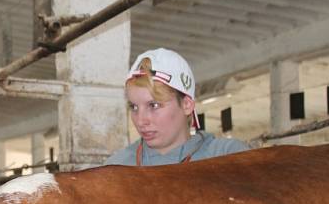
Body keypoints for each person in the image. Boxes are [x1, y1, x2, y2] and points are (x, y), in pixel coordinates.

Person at [104, 48, 248, 166]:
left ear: (187, 105)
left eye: (154, 105)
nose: (141, 121)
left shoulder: (229, 157)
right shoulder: (117, 168)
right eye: (134, 107)